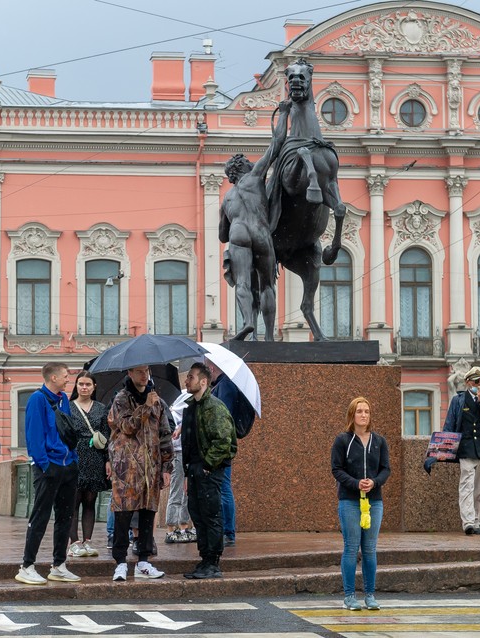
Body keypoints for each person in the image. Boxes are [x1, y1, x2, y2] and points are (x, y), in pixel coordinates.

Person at [220, 99, 290, 341]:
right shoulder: (255, 177)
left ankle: (248, 321)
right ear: (243, 168)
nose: (252, 163)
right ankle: (269, 337)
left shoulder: (227, 197)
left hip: (237, 233)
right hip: (260, 234)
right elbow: (276, 144)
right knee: (267, 284)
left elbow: (221, 234)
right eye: (248, 162)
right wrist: (284, 113)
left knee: (242, 282)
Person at [15, 362, 81, 585]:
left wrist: (73, 459)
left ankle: (59, 565)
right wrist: (44, 464)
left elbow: (67, 432)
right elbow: (33, 435)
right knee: (40, 517)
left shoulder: (63, 400)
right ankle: (27, 565)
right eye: (65, 375)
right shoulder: (37, 399)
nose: (67, 379)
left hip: (67, 466)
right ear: (53, 378)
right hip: (49, 467)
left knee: (65, 517)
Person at [106, 365, 173, 582]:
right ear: (129, 374)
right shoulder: (121, 399)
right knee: (123, 514)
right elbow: (126, 426)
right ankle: (120, 563)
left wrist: (166, 466)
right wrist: (145, 407)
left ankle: (144, 561)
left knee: (148, 512)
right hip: (127, 467)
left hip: (151, 467)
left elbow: (165, 434)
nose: (144, 375)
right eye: (139, 371)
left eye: (147, 371)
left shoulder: (158, 401)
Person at [331, 397, 390, 611]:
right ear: (352, 415)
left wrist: (374, 482)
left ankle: (370, 595)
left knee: (370, 549)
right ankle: (349, 596)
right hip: (349, 501)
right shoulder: (342, 440)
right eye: (359, 411)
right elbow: (336, 469)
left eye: (366, 411)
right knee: (351, 547)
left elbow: (386, 469)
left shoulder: (379, 441)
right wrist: (356, 484)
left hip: (374, 501)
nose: (363, 415)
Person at [181, 362, 237, 580]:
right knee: (198, 515)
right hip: (195, 469)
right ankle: (204, 559)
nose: (187, 381)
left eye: (191, 377)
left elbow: (224, 442)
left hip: (208, 470)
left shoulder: (214, 407)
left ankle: (213, 562)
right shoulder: (193, 406)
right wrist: (189, 470)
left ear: (203, 382)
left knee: (211, 515)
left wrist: (207, 466)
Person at [442, 365, 480, 536]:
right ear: (468, 383)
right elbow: (449, 424)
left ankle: (477, 522)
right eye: (477, 381)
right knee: (466, 486)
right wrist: (440, 451)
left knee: (479, 488)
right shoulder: (458, 400)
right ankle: (468, 522)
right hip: (466, 448)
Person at [206, 359, 251, 547]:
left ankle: (228, 532)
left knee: (224, 488)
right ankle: (225, 531)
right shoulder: (221, 385)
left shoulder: (225, 386)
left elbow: (221, 417)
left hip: (222, 446)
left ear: (211, 367)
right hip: (220, 445)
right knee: (222, 487)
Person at [67, 371, 110, 559]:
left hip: (95, 457)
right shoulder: (67, 407)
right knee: (73, 502)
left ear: (94, 387)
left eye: (88, 384)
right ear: (76, 386)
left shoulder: (101, 408)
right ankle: (74, 543)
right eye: (81, 384)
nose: (84, 387)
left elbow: (108, 435)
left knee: (90, 501)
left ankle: (88, 541)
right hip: (74, 456)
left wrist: (108, 460)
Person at [164, 395, 194, 544]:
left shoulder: (185, 406)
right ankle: (171, 528)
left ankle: (183, 526)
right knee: (177, 491)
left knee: (186, 492)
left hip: (186, 452)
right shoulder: (177, 408)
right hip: (178, 452)